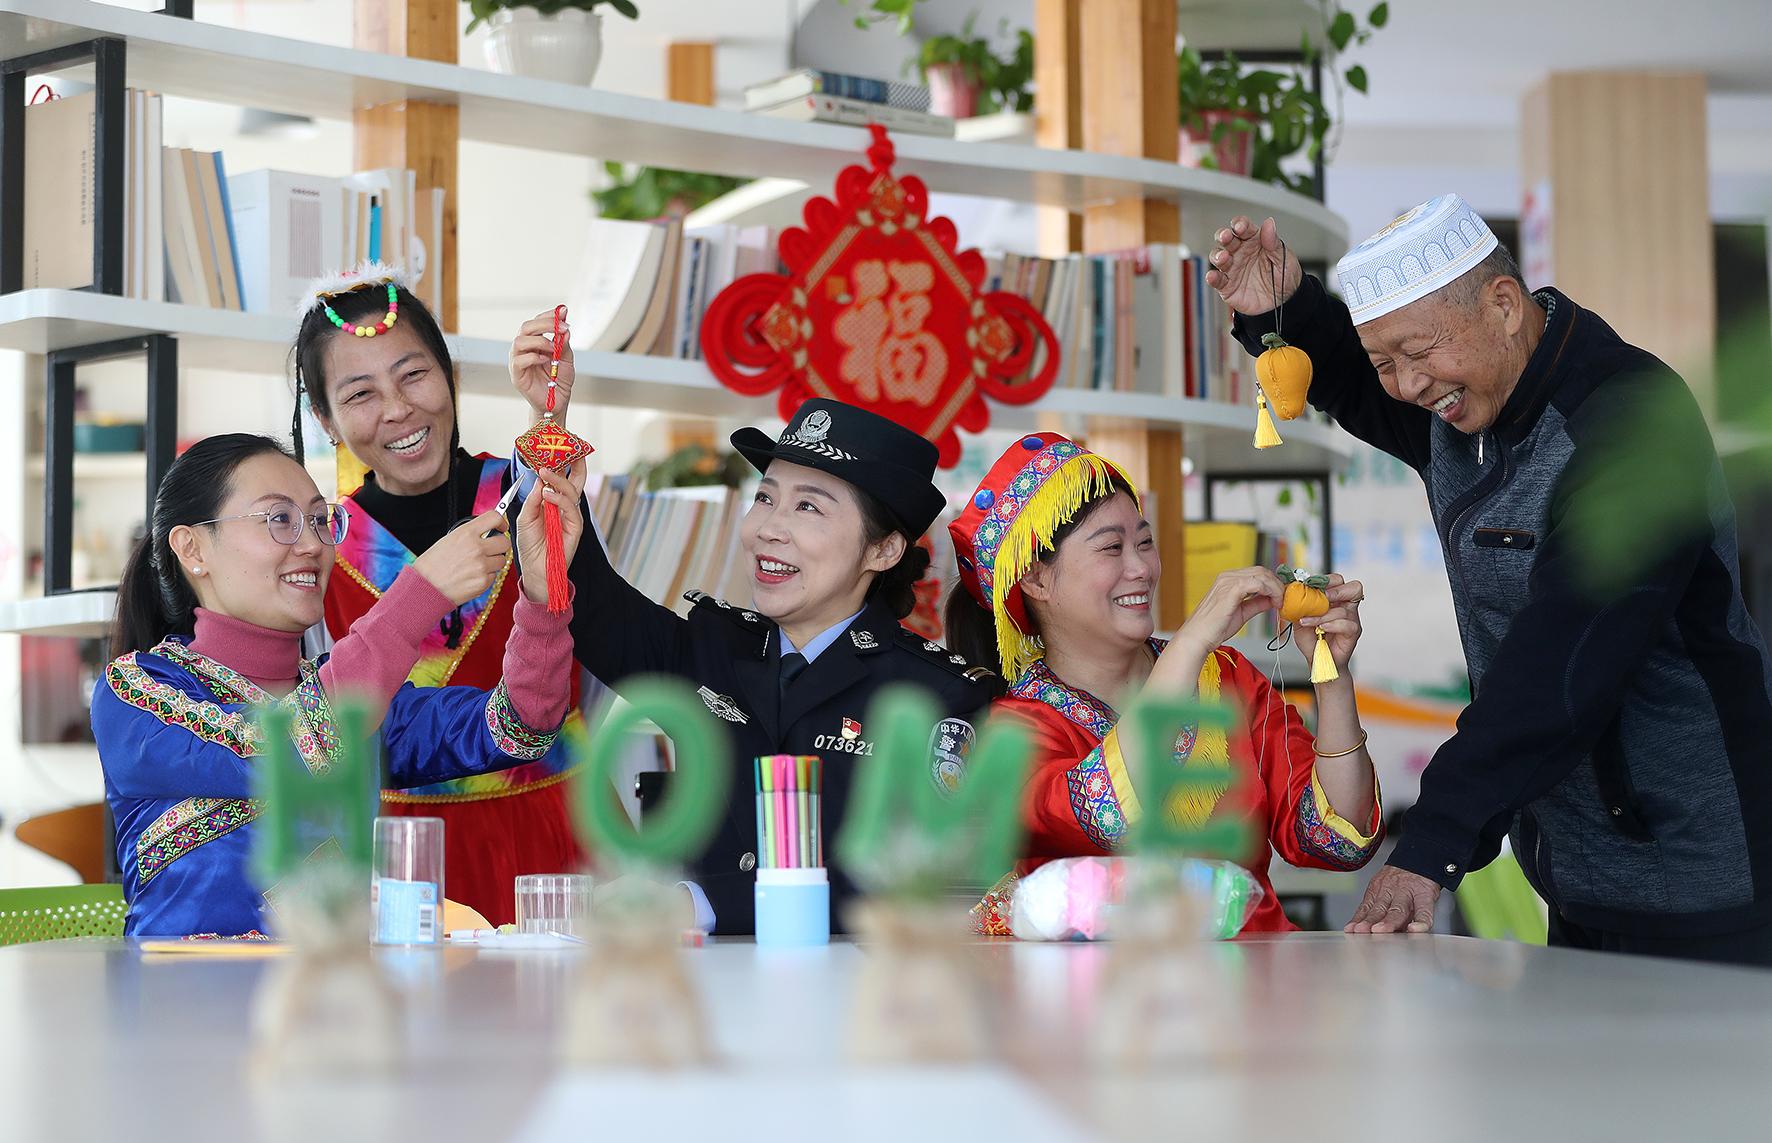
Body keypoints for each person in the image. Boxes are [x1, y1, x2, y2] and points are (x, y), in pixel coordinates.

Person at [1209, 195, 1772, 965]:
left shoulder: (1630, 425)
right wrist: (1280, 309)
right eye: (1387, 363)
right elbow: (1350, 378)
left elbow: (1562, 664)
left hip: (1707, 877)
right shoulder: (1462, 403)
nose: (1409, 385)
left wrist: (1432, 840)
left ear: (1503, 306)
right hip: (1579, 874)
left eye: (1418, 352)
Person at [506, 309, 1002, 934]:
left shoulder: (940, 696)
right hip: (707, 985)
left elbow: (913, 876)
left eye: (809, 508)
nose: (769, 527)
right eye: (765, 497)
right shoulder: (714, 649)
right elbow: (594, 605)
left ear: (883, 550)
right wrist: (547, 423)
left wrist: (704, 903)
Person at [93, 433, 585, 937]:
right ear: (192, 547)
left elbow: (521, 727)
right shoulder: (136, 690)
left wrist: (542, 592)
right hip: (182, 988)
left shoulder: (358, 698)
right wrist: (420, 593)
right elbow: (286, 748)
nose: (312, 544)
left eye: (319, 520)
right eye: (279, 519)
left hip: (334, 983)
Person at [945, 434, 1383, 933]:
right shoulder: (1014, 730)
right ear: (1036, 581)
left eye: (1145, 542)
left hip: (1256, 972)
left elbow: (1337, 841)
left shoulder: (1226, 676)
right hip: (1104, 983)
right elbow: (1107, 813)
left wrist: (1332, 674)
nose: (1141, 568)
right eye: (1112, 548)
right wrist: (1191, 640)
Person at [292, 268, 583, 925]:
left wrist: (550, 412)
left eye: (414, 375)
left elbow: (587, 643)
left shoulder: (525, 494)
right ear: (326, 420)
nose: (397, 408)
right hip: (396, 862)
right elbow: (317, 725)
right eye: (360, 393)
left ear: (450, 377)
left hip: (552, 841)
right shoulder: (318, 550)